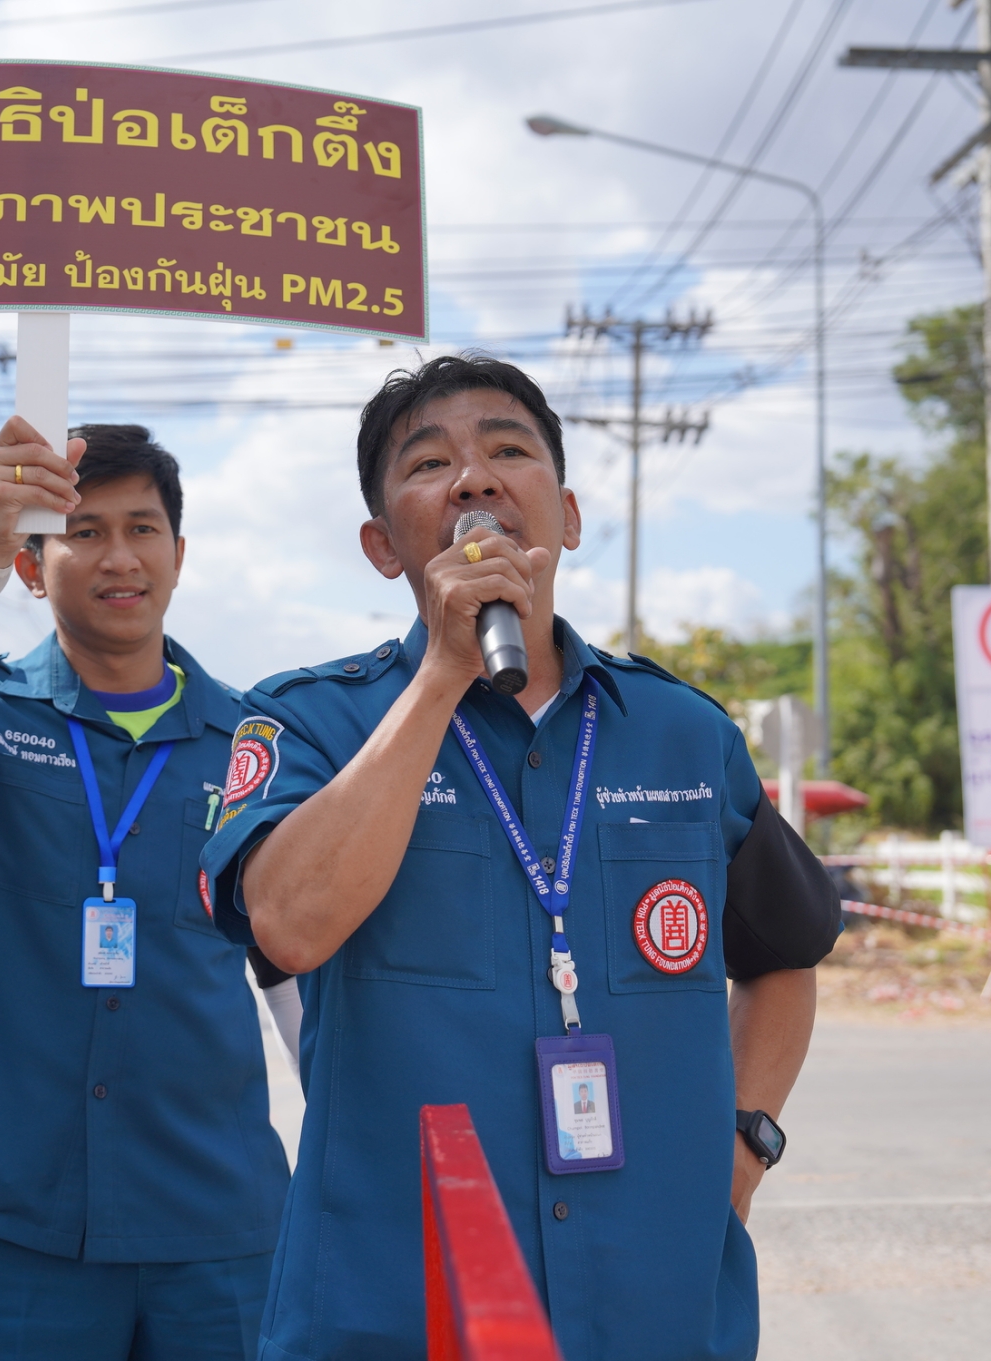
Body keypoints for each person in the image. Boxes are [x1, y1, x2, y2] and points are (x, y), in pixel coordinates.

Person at [202, 354, 843, 1361]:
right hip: (398, 1306)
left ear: (568, 516)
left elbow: (784, 954)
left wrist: (746, 1139)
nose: (474, 479)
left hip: (656, 1304)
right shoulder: (310, 721)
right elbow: (288, 923)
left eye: (508, 449)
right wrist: (443, 674)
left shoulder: (683, 733)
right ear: (382, 546)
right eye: (429, 464)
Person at [0, 419, 296, 1361]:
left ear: (179, 554)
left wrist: (348, 1134)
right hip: (18, 1216)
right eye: (84, 532)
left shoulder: (251, 742)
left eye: (142, 528)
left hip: (216, 1213)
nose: (119, 556)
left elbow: (287, 962)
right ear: (30, 564)